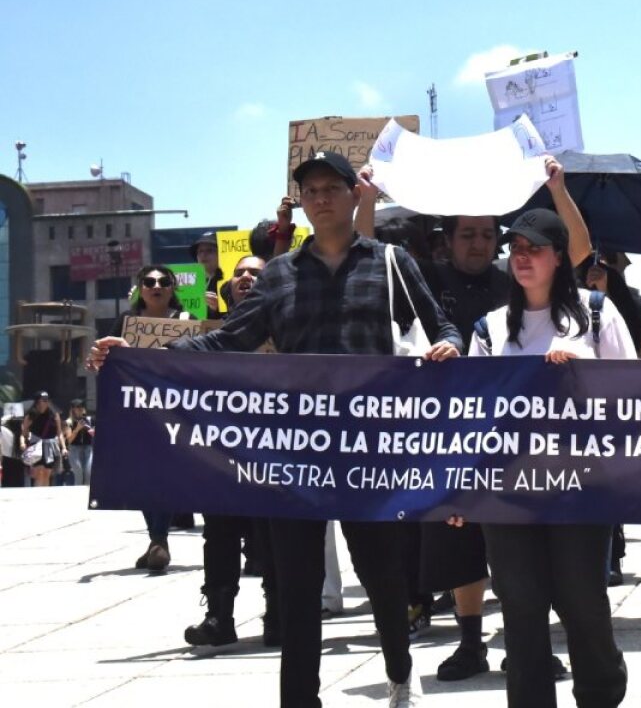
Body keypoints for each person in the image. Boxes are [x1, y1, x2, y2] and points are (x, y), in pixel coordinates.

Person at [88, 150, 461, 708]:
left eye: (332, 187)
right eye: (310, 191)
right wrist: (142, 353)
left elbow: (443, 323)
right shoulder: (281, 274)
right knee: (297, 585)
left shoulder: (389, 263)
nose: (321, 198)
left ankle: (398, 675)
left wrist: (448, 345)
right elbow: (225, 340)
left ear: (354, 194)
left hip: (371, 449)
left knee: (383, 575)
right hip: (297, 451)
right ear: (303, 203)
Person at [401, 157, 593, 682]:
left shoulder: (516, 278)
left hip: (545, 458)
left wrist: (556, 189)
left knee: (532, 571)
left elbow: (575, 253)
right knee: (462, 551)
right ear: (448, 240)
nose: (480, 244)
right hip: (464, 438)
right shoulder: (431, 279)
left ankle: (529, 644)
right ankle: (471, 644)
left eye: (489, 235)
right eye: (469, 235)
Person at [459, 207, 632, 708]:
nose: (522, 258)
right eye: (515, 250)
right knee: (521, 606)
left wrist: (584, 371)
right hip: (509, 493)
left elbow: (637, 390)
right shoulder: (490, 329)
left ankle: (600, 693)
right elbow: (471, 414)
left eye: (534, 248)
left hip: (582, 486)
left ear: (560, 257)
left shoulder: (596, 313)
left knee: (582, 601)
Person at [180, 253, 279, 649]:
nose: (246, 278)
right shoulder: (206, 334)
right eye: (239, 273)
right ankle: (219, 616)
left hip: (274, 452)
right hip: (221, 454)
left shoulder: (286, 327)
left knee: (273, 535)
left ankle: (278, 615)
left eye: (256, 273)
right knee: (218, 532)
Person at [112, 263, 194, 571]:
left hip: (176, 410)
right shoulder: (126, 321)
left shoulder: (186, 320)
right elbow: (108, 358)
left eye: (163, 281)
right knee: (144, 475)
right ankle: (156, 539)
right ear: (140, 288)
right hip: (137, 411)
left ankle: (159, 539)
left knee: (166, 473)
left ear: (173, 288)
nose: (156, 285)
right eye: (149, 281)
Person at [21, 393, 65, 487]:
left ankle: (45, 497)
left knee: (46, 474)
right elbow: (24, 431)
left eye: (46, 400)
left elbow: (59, 433)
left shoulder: (54, 414)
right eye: (43, 400)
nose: (45, 403)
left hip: (50, 446)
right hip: (36, 445)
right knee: (39, 473)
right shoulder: (32, 414)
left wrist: (64, 447)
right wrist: (24, 440)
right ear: (37, 402)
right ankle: (38, 496)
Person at [62, 399, 94, 487]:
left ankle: (87, 496)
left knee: (88, 472)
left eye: (82, 407)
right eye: (78, 407)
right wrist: (77, 429)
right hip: (74, 449)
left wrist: (89, 429)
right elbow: (69, 440)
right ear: (73, 409)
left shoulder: (89, 420)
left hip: (88, 448)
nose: (80, 409)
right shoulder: (69, 422)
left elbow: (94, 435)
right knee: (79, 473)